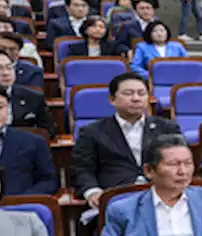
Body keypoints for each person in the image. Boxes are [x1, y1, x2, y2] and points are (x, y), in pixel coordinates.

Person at [72, 73, 182, 208]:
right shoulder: (92, 132)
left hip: (162, 197)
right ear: (112, 99)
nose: (136, 98)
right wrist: (92, 192)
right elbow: (82, 169)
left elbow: (180, 163)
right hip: (115, 200)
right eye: (128, 93)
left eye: (141, 93)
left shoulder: (167, 128)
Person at [64, 16, 129, 58]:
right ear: (85, 29)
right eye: (94, 26)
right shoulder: (74, 48)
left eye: (102, 27)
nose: (98, 29)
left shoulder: (112, 46)